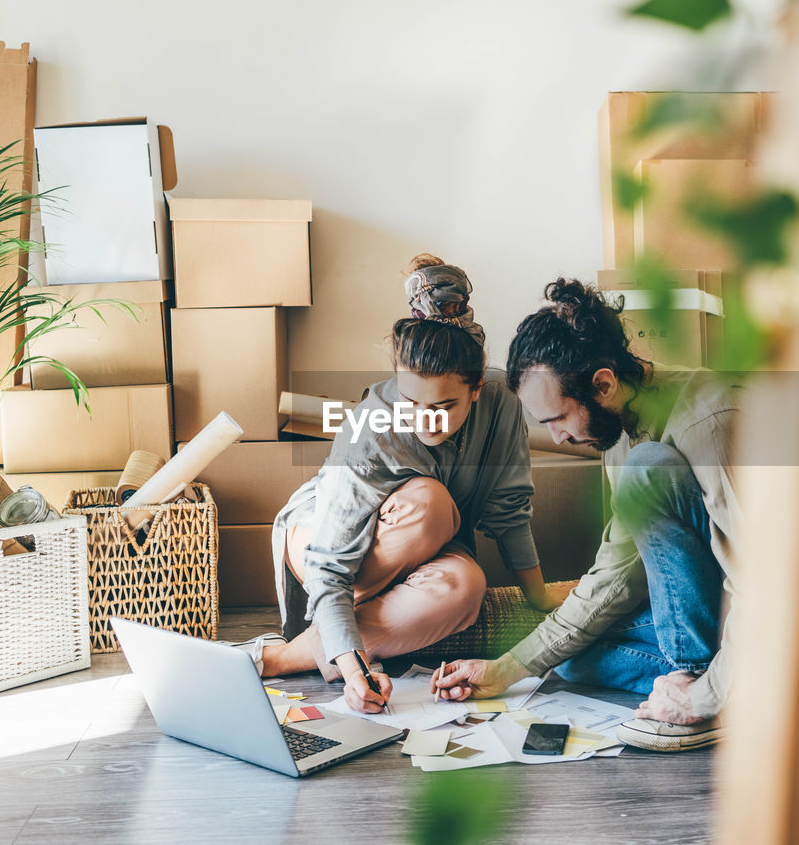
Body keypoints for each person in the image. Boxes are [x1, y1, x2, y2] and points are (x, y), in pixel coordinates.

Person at [431, 279, 799, 751]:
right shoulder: (614, 427)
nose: (557, 437)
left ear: (602, 383)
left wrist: (701, 698)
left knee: (650, 469)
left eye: (557, 419)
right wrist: (506, 670)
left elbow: (774, 583)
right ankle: (768, 687)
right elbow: (614, 574)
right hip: (729, 593)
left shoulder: (713, 422)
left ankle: (708, 684)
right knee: (567, 658)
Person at [226, 255, 566, 715]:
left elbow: (508, 511)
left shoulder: (503, 404)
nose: (424, 421)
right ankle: (288, 656)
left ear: (477, 390)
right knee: (431, 503)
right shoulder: (372, 426)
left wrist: (539, 596)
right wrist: (353, 671)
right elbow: (329, 565)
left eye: (444, 406)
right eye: (410, 402)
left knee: (466, 585)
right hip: (322, 543)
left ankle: (292, 652)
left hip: (418, 558)